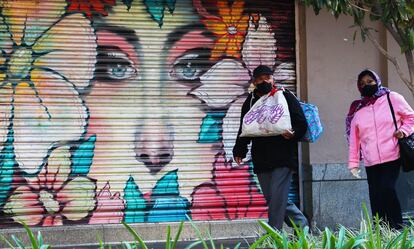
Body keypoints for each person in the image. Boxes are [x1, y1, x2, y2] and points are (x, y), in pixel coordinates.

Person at [233, 65, 308, 230]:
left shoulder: (285, 96)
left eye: (267, 77)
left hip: (283, 157)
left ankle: (274, 234)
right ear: (254, 82)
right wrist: (239, 149)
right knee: (273, 197)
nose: (264, 81)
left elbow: (301, 123)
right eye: (260, 79)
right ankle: (301, 225)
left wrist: (293, 134)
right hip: (261, 158)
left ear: (273, 79)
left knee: (277, 197)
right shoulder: (251, 101)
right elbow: (244, 127)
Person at [346, 69, 414, 229]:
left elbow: (411, 117)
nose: (366, 85)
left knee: (387, 189)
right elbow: (354, 140)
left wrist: (403, 131)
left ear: (377, 81)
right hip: (371, 161)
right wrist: (354, 163)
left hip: (392, 154)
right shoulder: (357, 109)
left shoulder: (392, 98)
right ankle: (381, 231)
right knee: (375, 197)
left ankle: (396, 228)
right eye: (362, 84)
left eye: (370, 81)